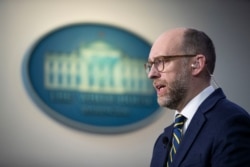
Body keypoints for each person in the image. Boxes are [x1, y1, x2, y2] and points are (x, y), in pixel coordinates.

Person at [145, 27, 250, 167]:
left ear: (196, 64)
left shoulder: (230, 123)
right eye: (150, 65)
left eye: (161, 61)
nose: (151, 74)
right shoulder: (162, 142)